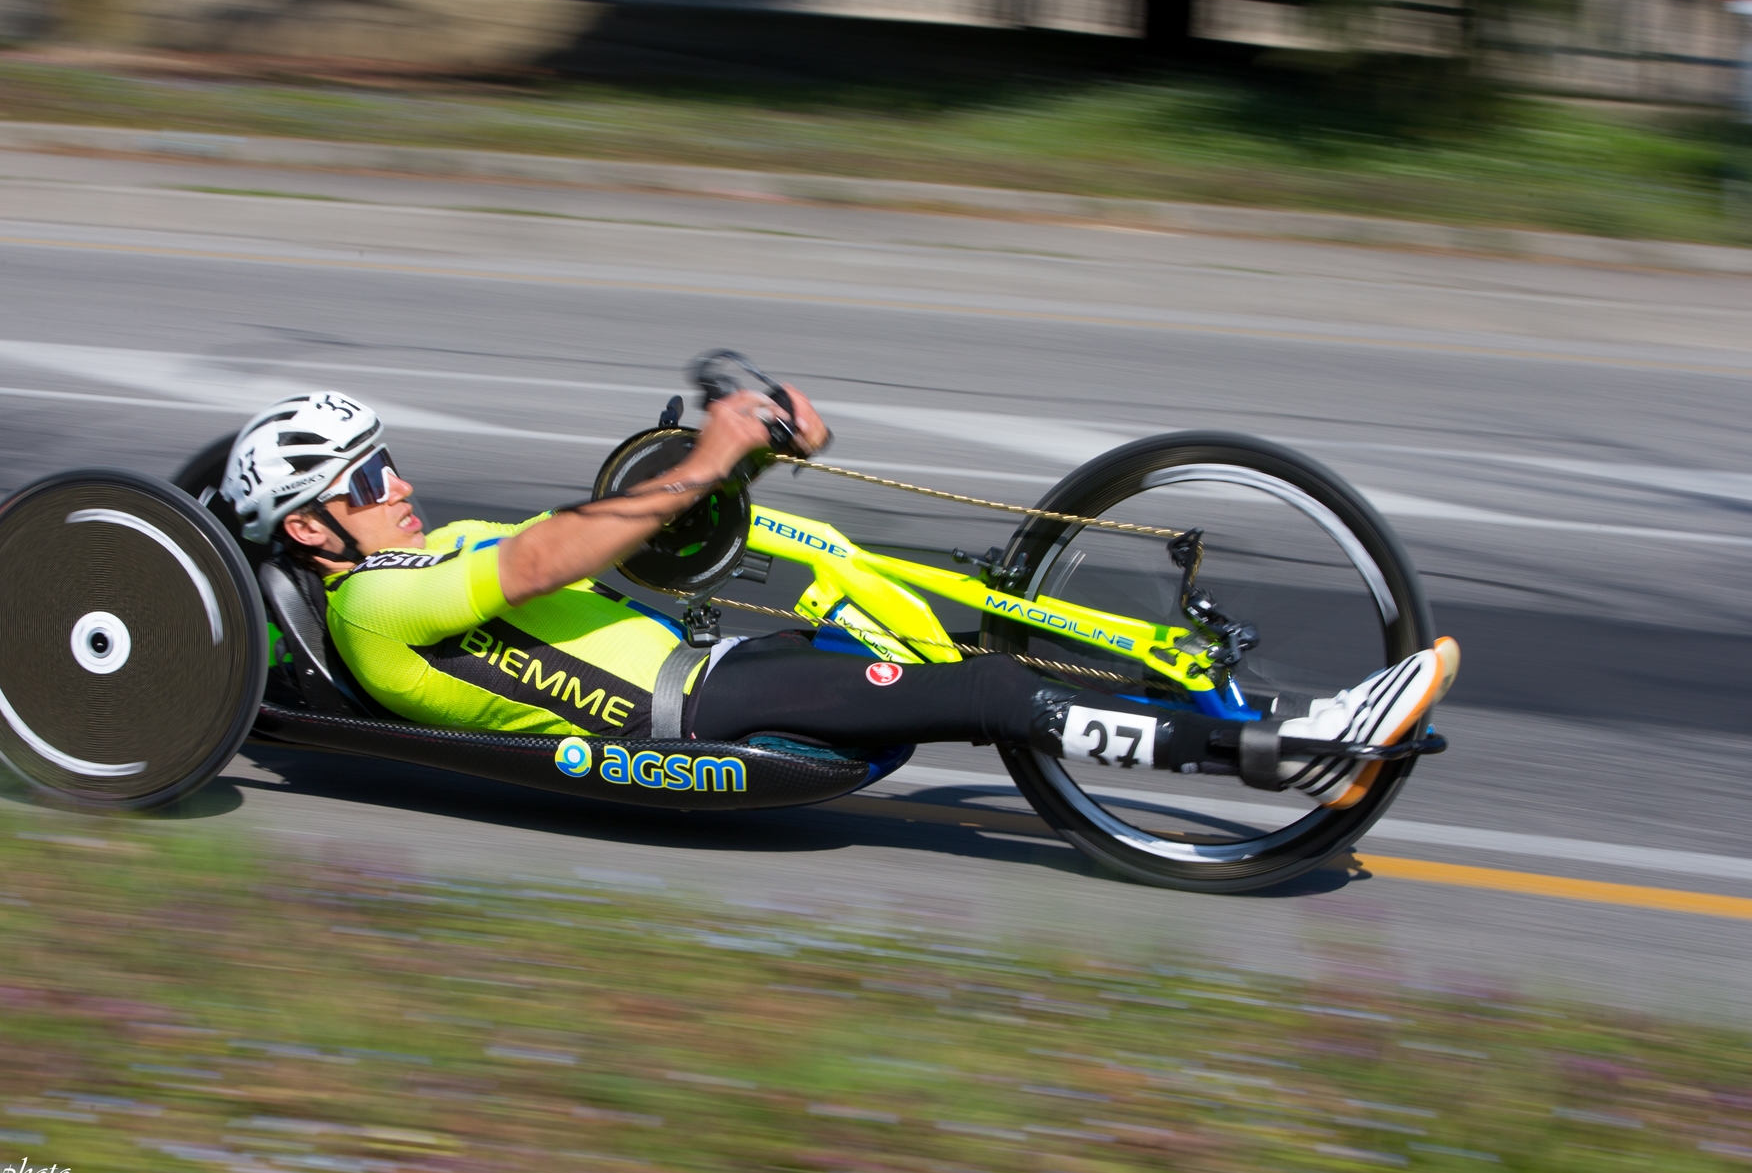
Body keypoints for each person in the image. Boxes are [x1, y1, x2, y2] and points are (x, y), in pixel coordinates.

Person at [221, 387, 1458, 808]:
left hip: (704, 663)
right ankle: (1280, 750)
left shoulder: (408, 559)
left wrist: (739, 450)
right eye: (368, 475)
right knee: (988, 688)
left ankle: (1199, 696)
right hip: (689, 717)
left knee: (914, 609)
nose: (402, 481)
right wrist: (706, 459)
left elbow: (595, 530)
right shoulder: (376, 609)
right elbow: (550, 560)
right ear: (312, 523)